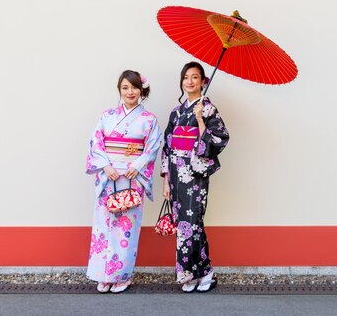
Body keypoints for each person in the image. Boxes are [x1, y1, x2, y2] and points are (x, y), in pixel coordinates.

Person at [85, 70, 162, 293]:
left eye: (134, 87)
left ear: (141, 90)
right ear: (119, 89)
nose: (130, 92)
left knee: (126, 229)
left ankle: (121, 276)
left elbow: (153, 147)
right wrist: (106, 166)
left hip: (132, 177)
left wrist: (136, 166)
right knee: (103, 226)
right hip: (108, 176)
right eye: (125, 87)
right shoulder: (107, 116)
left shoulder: (149, 120)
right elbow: (96, 142)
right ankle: (103, 275)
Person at [161, 61, 229, 293]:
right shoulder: (176, 112)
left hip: (194, 174)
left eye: (195, 77)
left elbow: (220, 139)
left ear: (203, 81)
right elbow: (167, 146)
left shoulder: (208, 109)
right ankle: (189, 274)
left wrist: (200, 120)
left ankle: (205, 272)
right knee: (183, 225)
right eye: (186, 78)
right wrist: (166, 180)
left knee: (194, 223)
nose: (190, 81)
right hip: (176, 174)